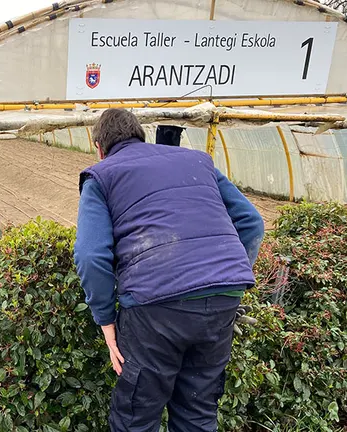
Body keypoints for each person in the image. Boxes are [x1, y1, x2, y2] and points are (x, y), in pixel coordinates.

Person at [73, 109, 264, 432]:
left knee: (136, 416)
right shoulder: (197, 161)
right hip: (222, 301)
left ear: (99, 147)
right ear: (141, 136)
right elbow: (252, 223)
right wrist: (225, 278)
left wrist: (106, 322)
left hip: (155, 307)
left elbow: (91, 255)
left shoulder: (102, 174)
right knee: (198, 413)